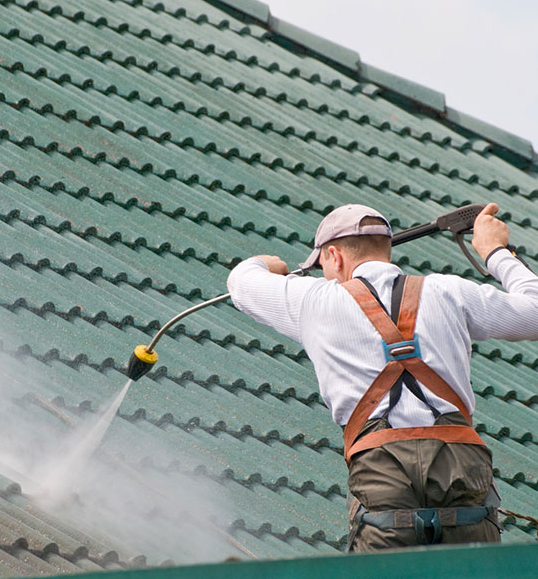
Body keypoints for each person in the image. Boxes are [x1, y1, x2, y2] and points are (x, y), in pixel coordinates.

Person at [226, 202, 538, 551]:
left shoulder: (311, 300)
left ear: (334, 256)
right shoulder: (450, 291)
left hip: (381, 471)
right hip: (460, 466)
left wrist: (273, 265)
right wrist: (496, 252)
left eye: (324, 266)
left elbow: (240, 281)